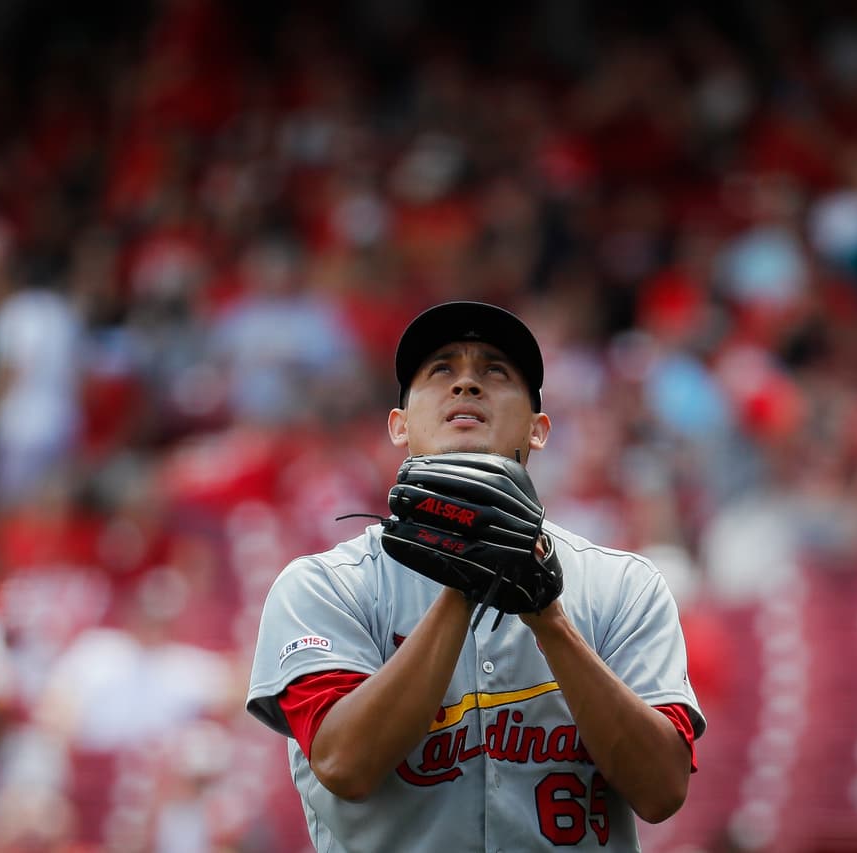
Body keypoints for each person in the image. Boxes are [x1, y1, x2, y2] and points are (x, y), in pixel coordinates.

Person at [246, 301, 705, 851]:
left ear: (539, 430)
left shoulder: (624, 586)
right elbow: (345, 764)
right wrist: (464, 583)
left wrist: (551, 621)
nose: (466, 383)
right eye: (441, 370)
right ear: (399, 425)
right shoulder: (326, 586)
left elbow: (661, 791)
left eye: (495, 371)